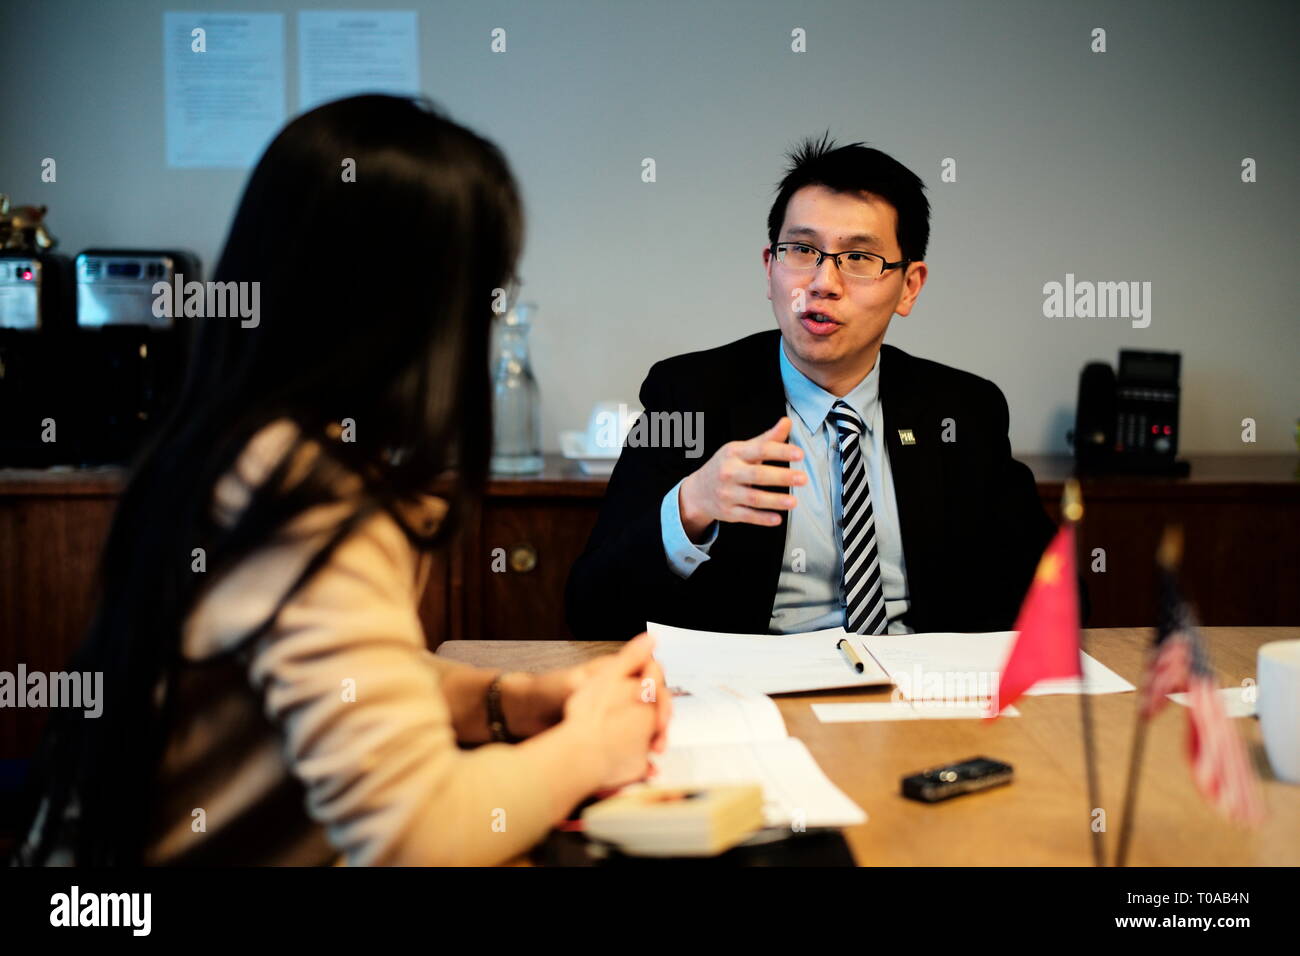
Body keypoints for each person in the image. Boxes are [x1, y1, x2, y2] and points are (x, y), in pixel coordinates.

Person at [12, 94, 668, 867]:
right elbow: (413, 839)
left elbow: (343, 681)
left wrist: (506, 701)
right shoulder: (310, 500)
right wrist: (594, 746)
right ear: (411, 310)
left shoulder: (238, 444)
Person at [566, 134, 1088, 641]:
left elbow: (1058, 604)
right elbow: (589, 610)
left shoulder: (963, 412)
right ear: (769, 268)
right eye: (802, 250)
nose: (823, 282)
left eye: (859, 258)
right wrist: (692, 503)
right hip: (757, 704)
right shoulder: (687, 397)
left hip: (918, 702)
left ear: (909, 286)